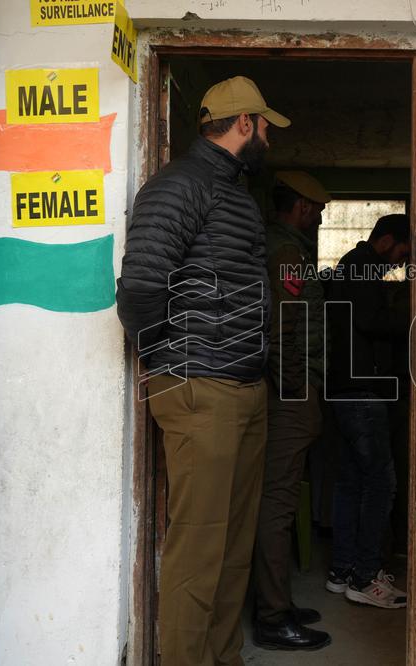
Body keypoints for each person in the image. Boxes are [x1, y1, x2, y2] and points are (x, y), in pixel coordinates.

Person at [115, 75, 289, 666]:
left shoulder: (233, 191)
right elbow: (140, 288)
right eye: (265, 125)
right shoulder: (179, 186)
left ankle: (222, 657)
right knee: (198, 547)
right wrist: (170, 362)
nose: (269, 136)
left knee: (233, 543)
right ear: (245, 123)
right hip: (201, 386)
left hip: (241, 385)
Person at [251, 171, 332, 651]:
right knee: (277, 503)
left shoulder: (281, 247)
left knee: (275, 499)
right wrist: (295, 391)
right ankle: (272, 615)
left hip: (287, 391)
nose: (318, 218)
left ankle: (274, 600)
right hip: (288, 394)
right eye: (316, 210)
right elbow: (283, 328)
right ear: (301, 207)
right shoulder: (285, 253)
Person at [324, 214, 411, 609]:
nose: (403, 260)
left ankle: (342, 571)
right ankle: (364, 577)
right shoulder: (360, 268)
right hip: (362, 391)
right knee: (380, 483)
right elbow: (371, 320)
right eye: (403, 252)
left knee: (351, 483)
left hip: (346, 389)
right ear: (387, 241)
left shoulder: (352, 266)